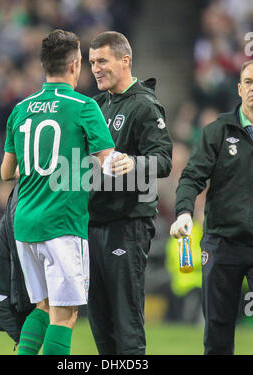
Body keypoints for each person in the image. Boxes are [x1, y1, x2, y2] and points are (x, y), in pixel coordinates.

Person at [0, 29, 117, 355]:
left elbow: (6, 172)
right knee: (65, 315)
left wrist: (36, 168)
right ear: (74, 66)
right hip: (63, 224)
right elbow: (109, 164)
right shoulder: (83, 107)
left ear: (43, 65)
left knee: (42, 305)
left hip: (25, 225)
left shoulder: (21, 109)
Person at [87, 31, 173, 355]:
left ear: (125, 61)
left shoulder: (145, 106)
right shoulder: (95, 105)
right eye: (92, 61)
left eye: (102, 61)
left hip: (127, 225)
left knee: (126, 321)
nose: (96, 68)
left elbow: (164, 160)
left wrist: (133, 163)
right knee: (99, 321)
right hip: (93, 224)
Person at [170, 60, 253, 355]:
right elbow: (192, 176)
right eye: (249, 81)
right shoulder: (217, 131)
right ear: (239, 88)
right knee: (217, 334)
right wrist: (183, 212)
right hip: (222, 242)